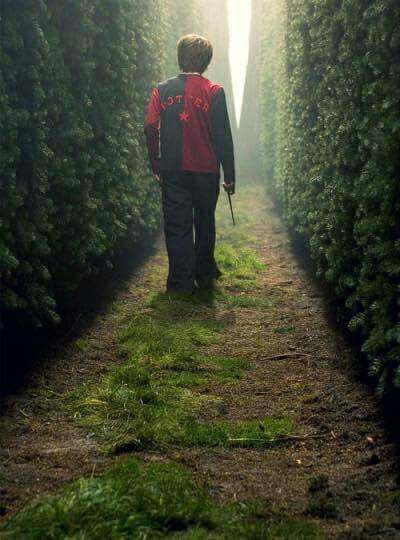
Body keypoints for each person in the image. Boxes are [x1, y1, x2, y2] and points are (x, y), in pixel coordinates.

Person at [144, 33, 235, 293]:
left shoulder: (160, 90)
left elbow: (150, 127)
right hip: (206, 171)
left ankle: (180, 284)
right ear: (206, 62)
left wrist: (156, 163)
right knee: (205, 220)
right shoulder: (214, 91)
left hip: (172, 169)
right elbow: (222, 136)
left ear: (179, 57)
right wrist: (229, 175)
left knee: (177, 225)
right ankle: (204, 271)